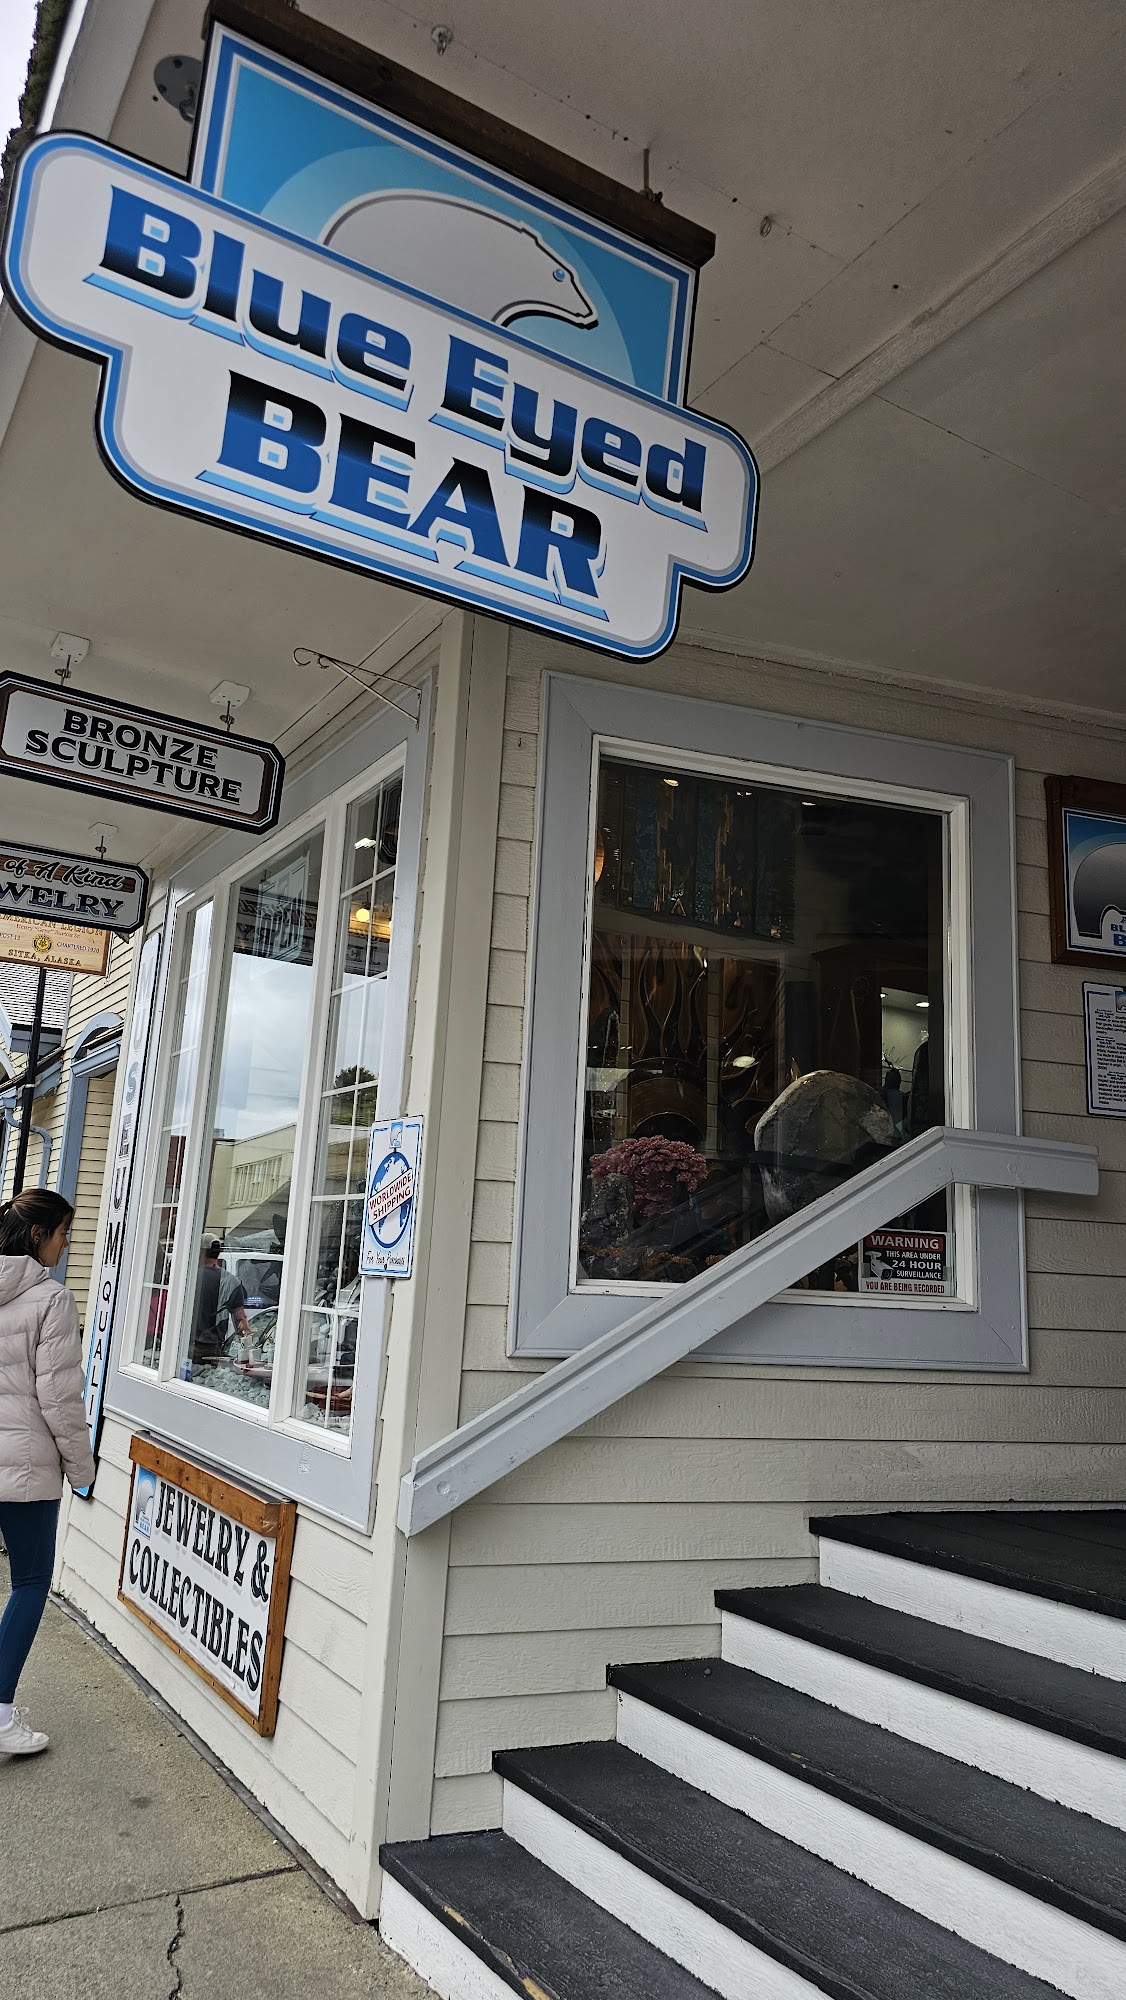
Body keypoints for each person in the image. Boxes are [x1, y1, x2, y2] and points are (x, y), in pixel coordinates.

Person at [0, 1188, 94, 1757]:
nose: (65, 1246)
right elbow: (59, 1399)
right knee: (31, 1582)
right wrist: (82, 1470)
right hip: (26, 1468)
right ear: (38, 1236)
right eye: (62, 1234)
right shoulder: (51, 1300)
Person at [190, 1240, 250, 1366]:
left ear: (200, 1252)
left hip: (186, 1345)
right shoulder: (231, 1281)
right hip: (213, 1349)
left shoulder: (190, 1277)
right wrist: (248, 1350)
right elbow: (240, 1319)